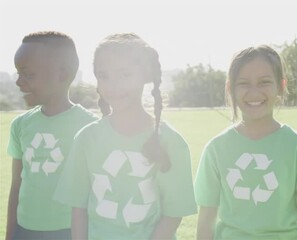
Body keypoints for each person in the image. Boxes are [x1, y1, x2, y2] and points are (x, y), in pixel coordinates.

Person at [53, 33, 197, 240]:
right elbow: (79, 207)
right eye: (104, 76)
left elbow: (173, 213)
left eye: (125, 74)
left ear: (145, 75)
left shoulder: (171, 142)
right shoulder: (86, 138)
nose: (113, 85)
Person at [195, 45, 297, 240]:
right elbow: (206, 220)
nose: (254, 92)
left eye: (264, 82)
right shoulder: (216, 149)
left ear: (281, 86)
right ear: (229, 88)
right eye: (243, 83)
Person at [6, 31, 98, 240]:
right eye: (18, 74)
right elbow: (16, 186)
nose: (19, 82)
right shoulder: (20, 125)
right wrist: (10, 234)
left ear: (62, 75)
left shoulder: (91, 126)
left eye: (28, 75)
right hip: (24, 231)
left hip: (69, 232)